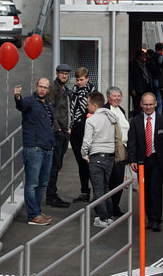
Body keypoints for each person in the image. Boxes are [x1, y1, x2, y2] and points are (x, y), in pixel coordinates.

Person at [126, 91, 163, 231]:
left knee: (156, 190)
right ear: (141, 105)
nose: (148, 107)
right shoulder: (135, 121)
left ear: (156, 104)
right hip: (142, 161)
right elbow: (132, 142)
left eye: (151, 104)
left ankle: (156, 220)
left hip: (157, 160)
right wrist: (132, 159)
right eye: (145, 104)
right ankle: (149, 218)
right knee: (145, 190)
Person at [13, 78, 55, 225]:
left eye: (45, 87)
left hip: (47, 148)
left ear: (48, 89)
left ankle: (37, 211)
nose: (42, 89)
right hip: (34, 148)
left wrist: (52, 144)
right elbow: (21, 105)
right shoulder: (30, 101)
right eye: (40, 86)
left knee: (43, 182)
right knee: (32, 183)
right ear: (36, 87)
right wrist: (18, 97)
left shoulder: (47, 104)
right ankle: (32, 215)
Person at [80, 89, 118, 228]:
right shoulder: (111, 117)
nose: (86, 106)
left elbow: (86, 142)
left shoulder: (92, 120)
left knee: (98, 189)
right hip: (110, 156)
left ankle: (102, 218)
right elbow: (115, 137)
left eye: (88, 104)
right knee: (106, 187)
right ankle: (108, 216)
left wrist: (84, 154)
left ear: (94, 106)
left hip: (96, 156)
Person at [44, 64, 73, 208]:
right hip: (58, 132)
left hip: (65, 130)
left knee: (58, 164)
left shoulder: (65, 89)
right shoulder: (54, 89)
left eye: (67, 74)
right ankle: (51, 196)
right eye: (62, 73)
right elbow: (50, 110)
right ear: (57, 73)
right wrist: (58, 130)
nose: (64, 76)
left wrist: (69, 127)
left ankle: (52, 193)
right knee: (54, 166)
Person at [104, 87, 130, 219]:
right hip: (110, 149)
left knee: (119, 180)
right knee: (109, 180)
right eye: (114, 96)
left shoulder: (122, 110)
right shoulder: (105, 110)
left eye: (119, 96)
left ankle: (115, 207)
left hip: (122, 150)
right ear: (108, 97)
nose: (117, 98)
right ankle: (105, 208)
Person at [69, 67, 93, 203]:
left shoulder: (92, 91)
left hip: (87, 130)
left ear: (87, 79)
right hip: (75, 130)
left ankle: (95, 191)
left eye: (81, 80)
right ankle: (84, 191)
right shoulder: (74, 91)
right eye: (77, 80)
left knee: (88, 162)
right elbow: (71, 107)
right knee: (80, 162)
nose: (79, 82)